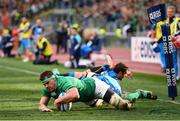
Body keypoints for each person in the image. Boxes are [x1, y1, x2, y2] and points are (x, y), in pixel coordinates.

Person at [60, 62, 157, 104]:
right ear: (119, 72)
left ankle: (139, 93)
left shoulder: (107, 68)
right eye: (123, 74)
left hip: (96, 79)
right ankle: (139, 93)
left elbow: (109, 62)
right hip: (103, 82)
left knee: (81, 76)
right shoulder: (113, 77)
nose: (123, 76)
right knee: (122, 97)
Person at [38, 70, 132, 112]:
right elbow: (42, 103)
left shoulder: (63, 82)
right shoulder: (48, 89)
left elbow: (75, 95)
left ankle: (131, 99)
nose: (46, 86)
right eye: (44, 84)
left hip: (95, 87)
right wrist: (43, 108)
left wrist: (58, 100)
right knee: (102, 105)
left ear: (54, 79)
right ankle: (114, 99)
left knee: (123, 106)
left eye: (47, 83)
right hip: (87, 99)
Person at [148, 5, 179, 80]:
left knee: (174, 59)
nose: (169, 13)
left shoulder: (177, 20)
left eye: (171, 12)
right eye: (168, 12)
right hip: (162, 40)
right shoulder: (162, 20)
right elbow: (153, 30)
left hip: (173, 41)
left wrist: (175, 37)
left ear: (174, 12)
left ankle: (176, 76)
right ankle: (165, 67)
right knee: (163, 53)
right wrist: (153, 40)